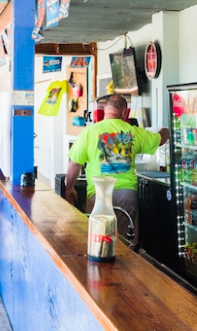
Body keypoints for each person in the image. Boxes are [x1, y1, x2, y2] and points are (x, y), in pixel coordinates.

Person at [64, 93, 169, 232]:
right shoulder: (134, 132)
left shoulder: (89, 132)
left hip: (98, 196)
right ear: (125, 112)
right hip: (127, 196)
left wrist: (69, 188)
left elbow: (74, 164)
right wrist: (165, 131)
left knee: (98, 241)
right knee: (125, 245)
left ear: (106, 111)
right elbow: (160, 139)